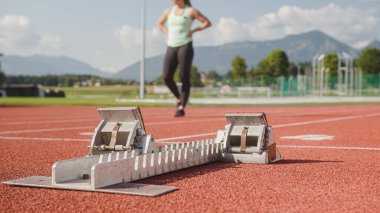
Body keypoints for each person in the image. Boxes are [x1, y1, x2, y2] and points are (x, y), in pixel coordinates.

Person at [157, 0, 211, 117]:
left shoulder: (191, 11)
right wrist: (167, 32)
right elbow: (159, 24)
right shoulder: (168, 11)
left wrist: (193, 30)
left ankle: (181, 107)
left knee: (184, 76)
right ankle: (179, 97)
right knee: (166, 76)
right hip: (171, 46)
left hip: (185, 45)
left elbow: (207, 23)